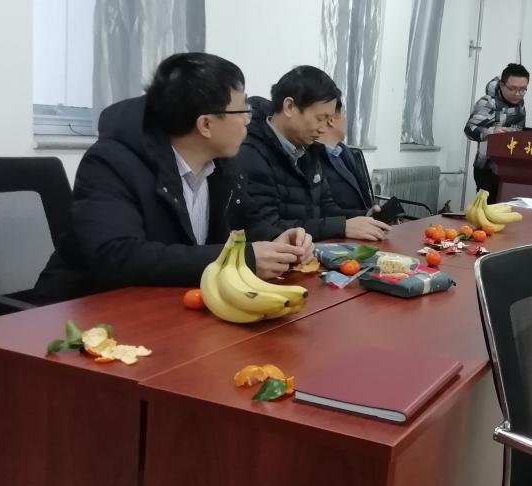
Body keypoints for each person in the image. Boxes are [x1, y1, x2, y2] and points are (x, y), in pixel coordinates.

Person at [33, 52, 313, 302]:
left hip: (169, 305)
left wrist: (278, 240)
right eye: (243, 111)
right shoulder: (110, 163)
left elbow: (247, 223)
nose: (247, 122)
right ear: (206, 124)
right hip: (84, 313)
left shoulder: (222, 164)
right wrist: (239, 259)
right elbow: (117, 257)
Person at [238, 66, 390, 242]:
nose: (323, 129)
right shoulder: (252, 154)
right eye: (320, 118)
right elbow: (268, 228)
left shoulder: (309, 149)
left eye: (328, 120)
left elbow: (326, 208)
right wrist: (342, 227)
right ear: (289, 107)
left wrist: (362, 217)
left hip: (313, 250)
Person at [464, 63, 529, 204]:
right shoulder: (488, 102)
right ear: (502, 85)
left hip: (511, 167)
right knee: (488, 209)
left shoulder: (520, 103)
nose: (518, 94)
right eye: (513, 88)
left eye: (523, 89)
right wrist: (490, 132)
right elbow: (469, 129)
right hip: (487, 168)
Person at [315, 97, 374, 212]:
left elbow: (365, 198)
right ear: (331, 120)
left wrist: (373, 215)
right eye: (345, 114)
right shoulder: (310, 158)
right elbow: (322, 210)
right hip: (342, 222)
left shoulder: (347, 153)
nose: (347, 120)